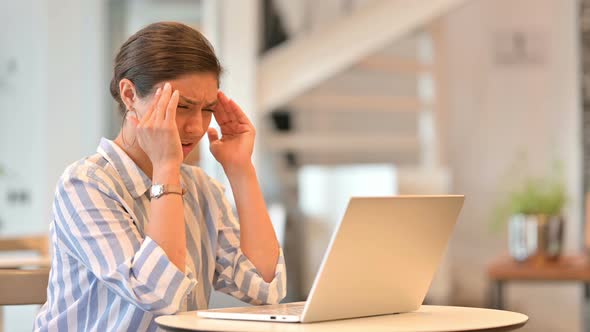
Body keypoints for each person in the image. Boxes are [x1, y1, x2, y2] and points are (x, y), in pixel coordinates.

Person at [33, 21, 286, 331]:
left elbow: (264, 287)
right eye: (181, 106)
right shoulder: (86, 183)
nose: (196, 126)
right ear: (129, 95)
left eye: (207, 109)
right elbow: (158, 295)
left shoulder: (204, 189)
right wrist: (166, 167)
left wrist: (241, 169)